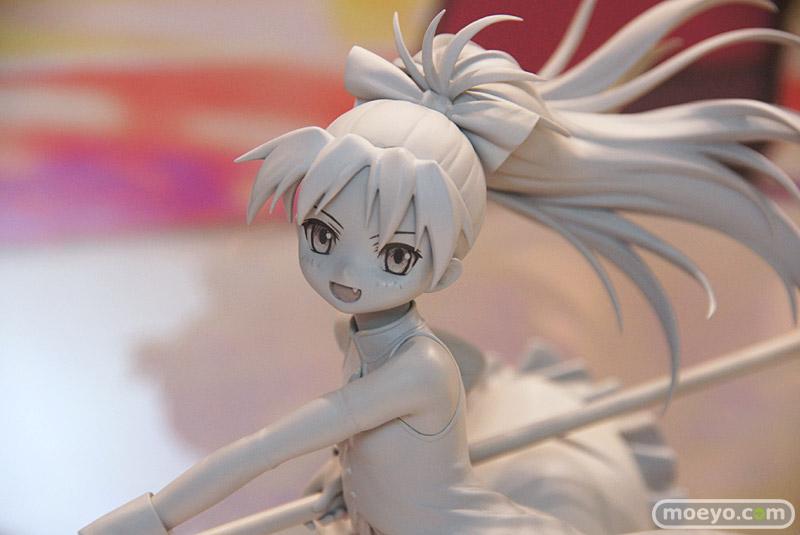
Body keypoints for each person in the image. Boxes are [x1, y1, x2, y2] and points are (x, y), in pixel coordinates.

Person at [80, 1, 800, 534]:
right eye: (323, 232)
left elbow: (267, 447)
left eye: (396, 255)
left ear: (446, 271)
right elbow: (357, 445)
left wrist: (152, 517)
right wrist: (345, 482)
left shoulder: (419, 368)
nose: (349, 271)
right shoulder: (366, 340)